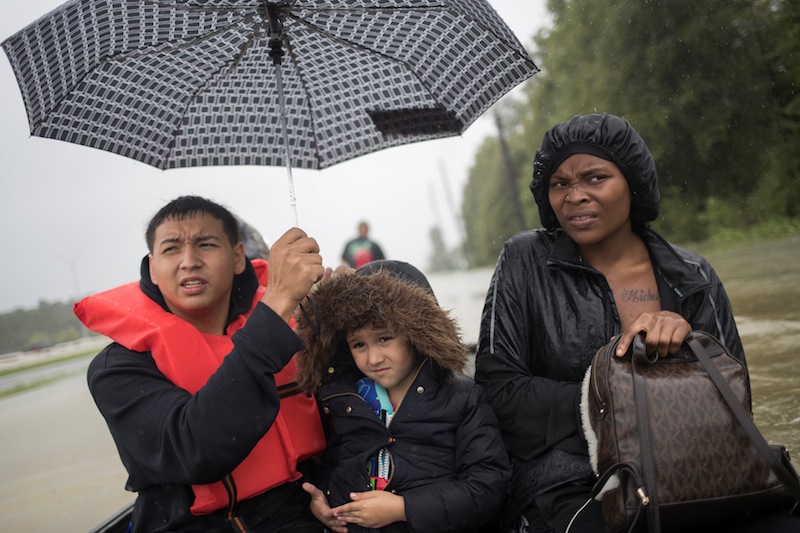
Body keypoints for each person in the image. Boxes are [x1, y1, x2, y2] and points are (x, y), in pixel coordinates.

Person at [474, 113, 800, 532]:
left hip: (690, 469)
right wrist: (613, 403)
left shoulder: (692, 276)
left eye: (595, 178)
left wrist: (692, 348)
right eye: (560, 184)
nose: (575, 196)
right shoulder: (524, 260)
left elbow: (736, 405)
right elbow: (498, 389)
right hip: (570, 481)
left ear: (633, 182)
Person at [75, 196, 327, 533]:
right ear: (152, 267)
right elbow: (193, 450)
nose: (189, 261)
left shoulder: (301, 322)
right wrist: (277, 303)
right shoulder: (117, 366)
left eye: (206, 244)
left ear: (238, 257)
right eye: (171, 249)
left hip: (302, 511)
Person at [294, 260, 511, 532]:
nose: (373, 358)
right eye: (358, 344)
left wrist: (403, 508)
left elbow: (486, 487)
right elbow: (336, 465)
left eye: (384, 338)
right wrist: (323, 501)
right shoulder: (344, 401)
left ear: (416, 332)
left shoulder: (462, 398)